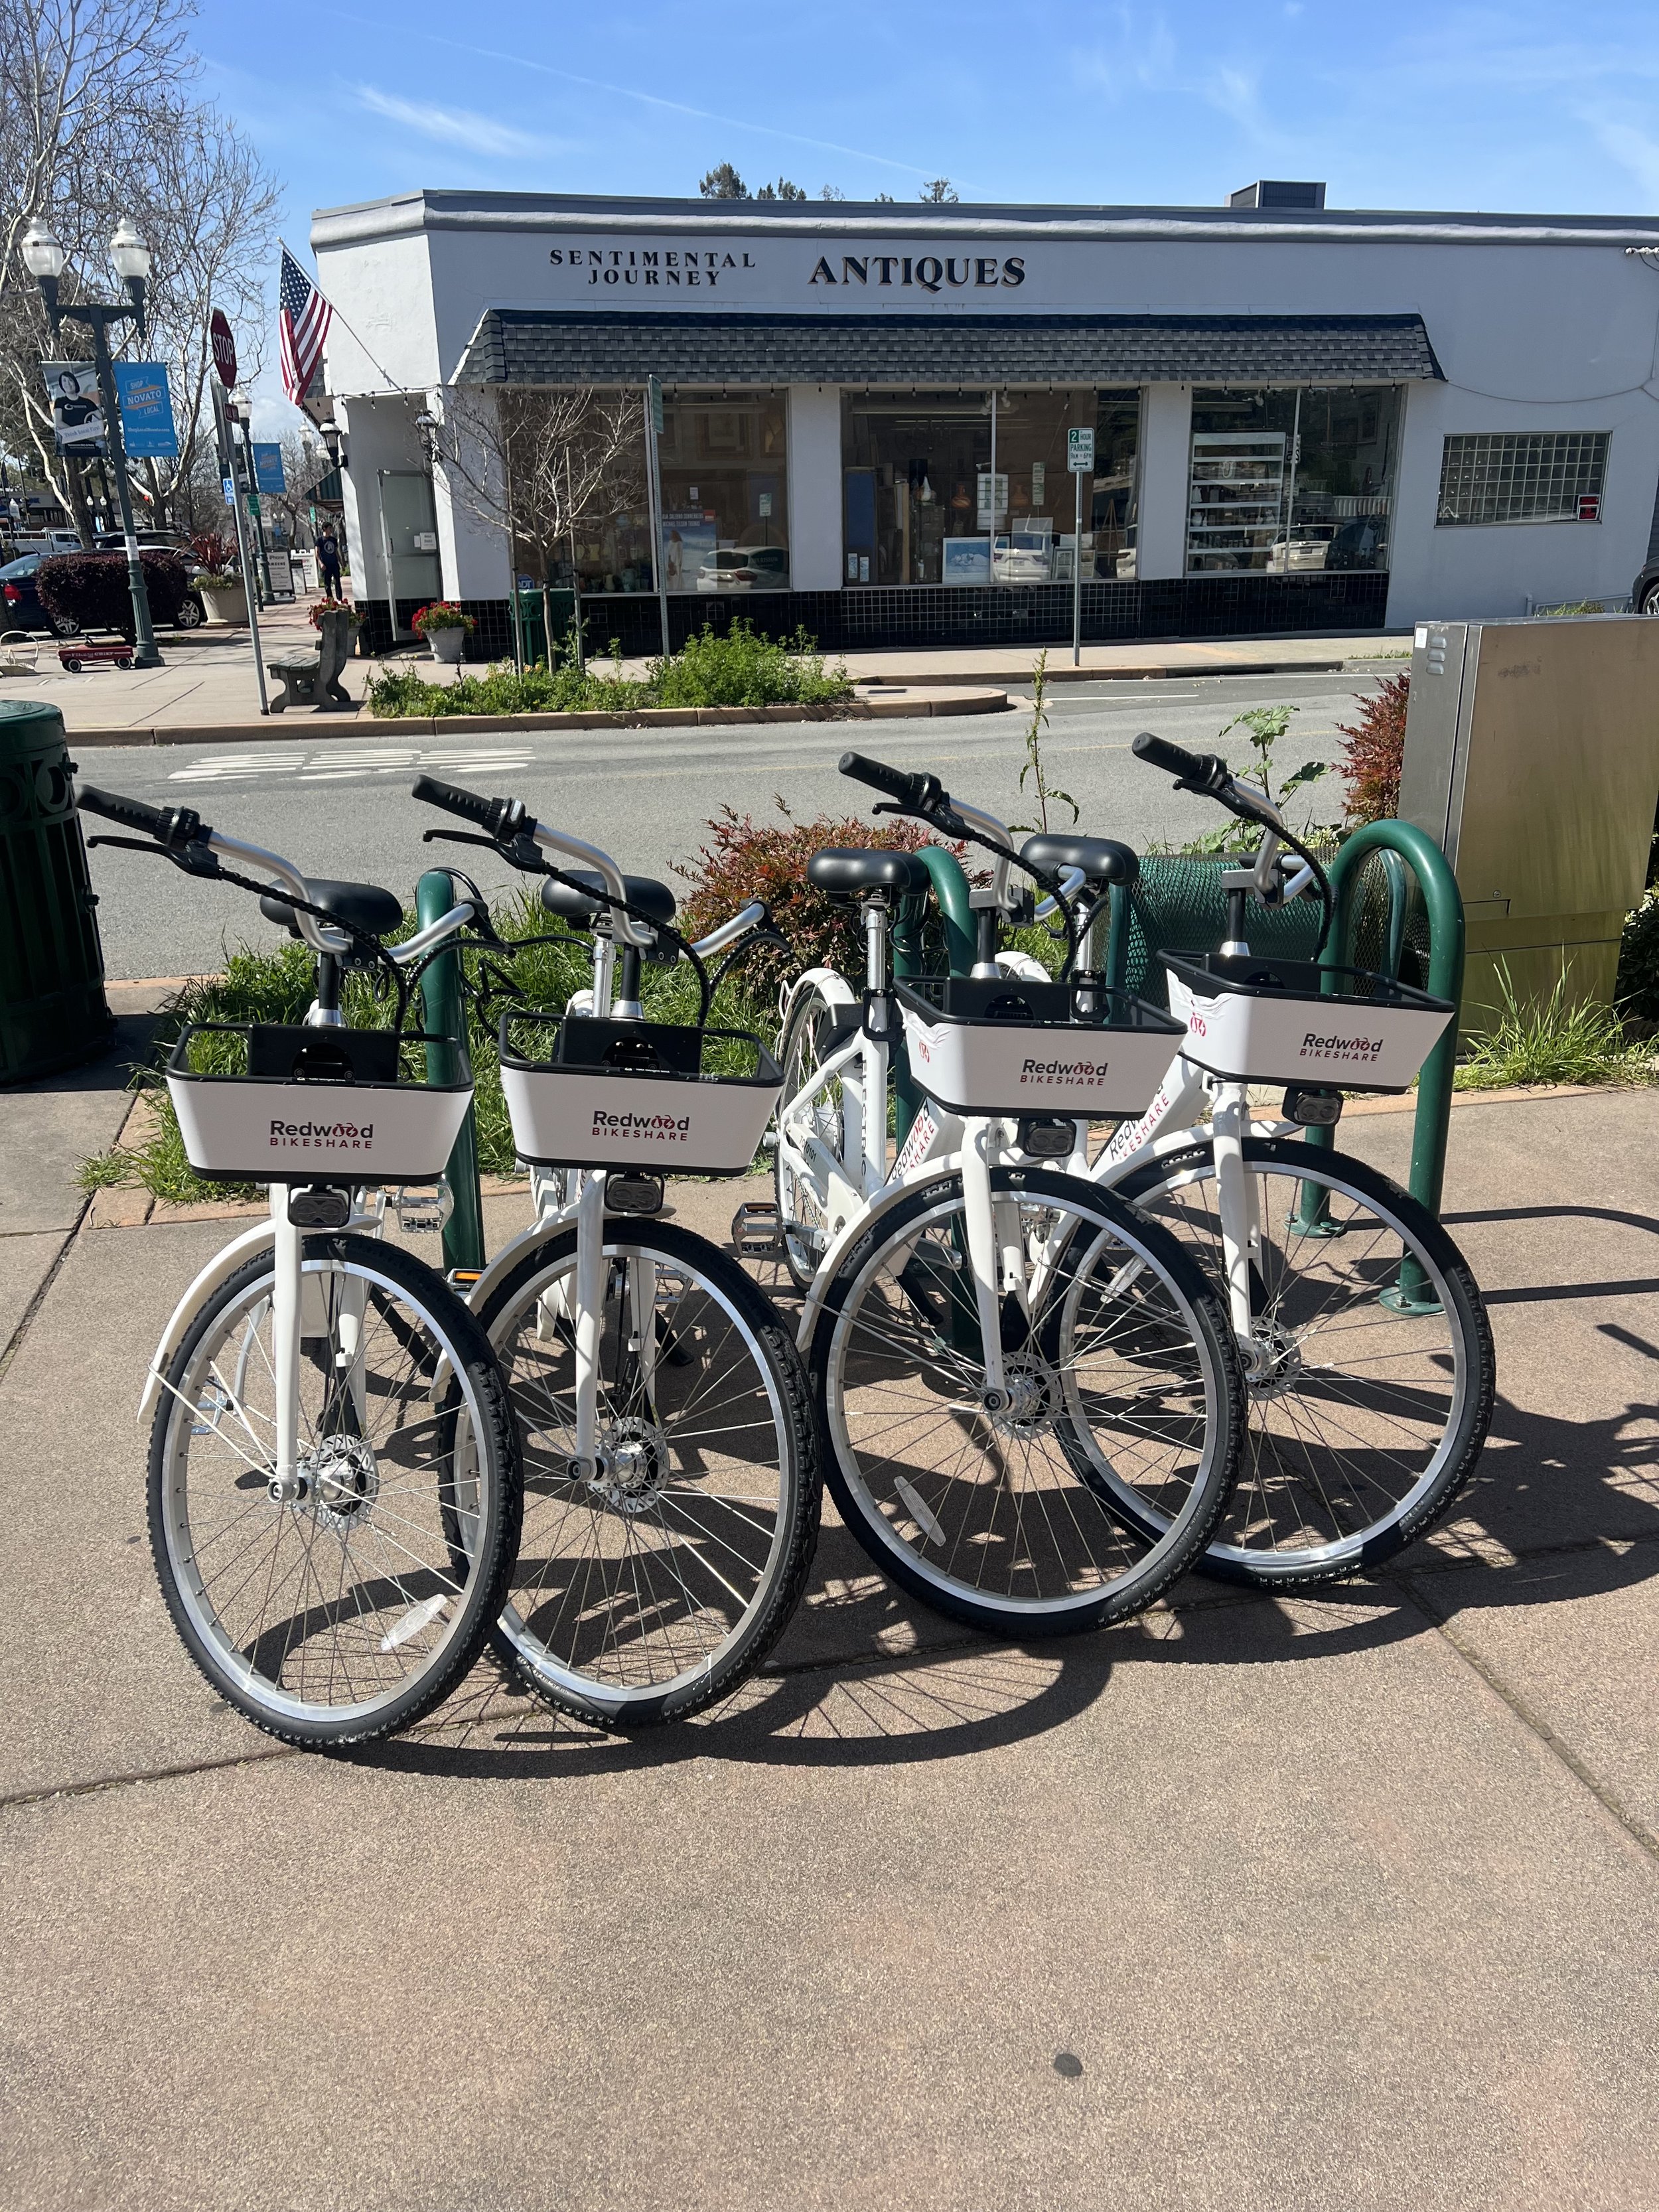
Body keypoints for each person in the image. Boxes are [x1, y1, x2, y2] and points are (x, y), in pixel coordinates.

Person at [316, 526, 342, 597]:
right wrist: (321, 563)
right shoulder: (319, 540)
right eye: (329, 528)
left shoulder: (333, 540)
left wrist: (340, 562)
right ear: (325, 529)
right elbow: (317, 553)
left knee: (338, 582)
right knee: (327, 583)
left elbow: (336, 552)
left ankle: (340, 599)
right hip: (326, 565)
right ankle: (330, 599)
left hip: (334, 563)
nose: (331, 530)